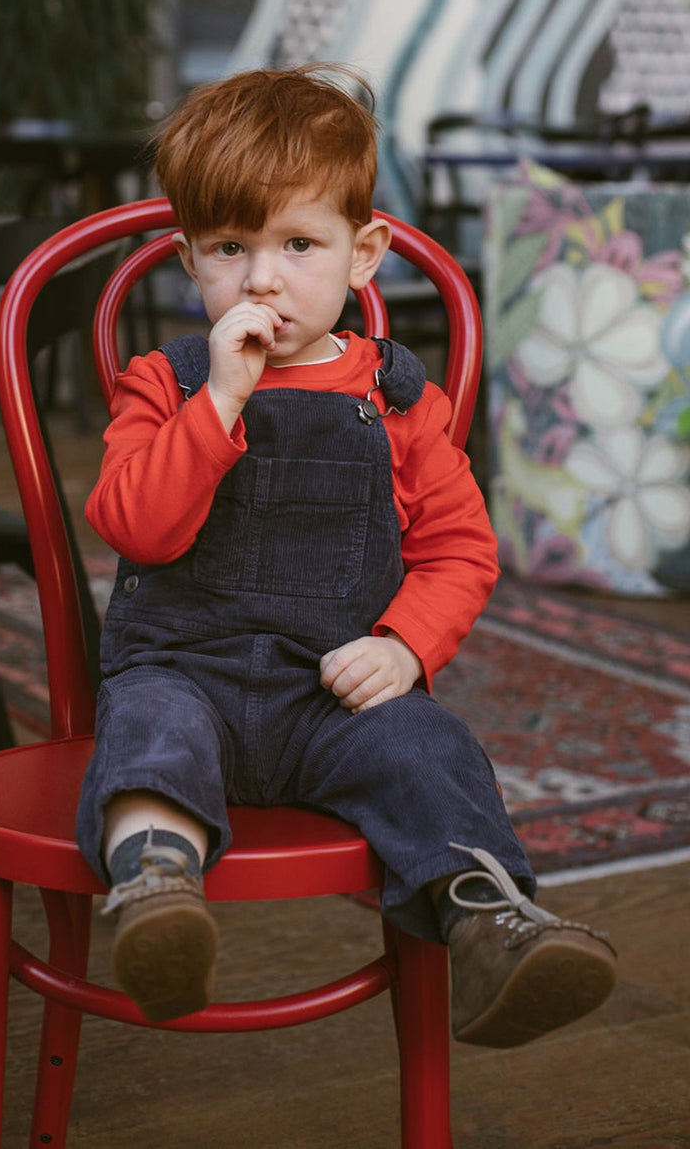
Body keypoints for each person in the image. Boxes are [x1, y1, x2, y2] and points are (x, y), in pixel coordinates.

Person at [77, 64, 617, 1047]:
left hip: (329, 697)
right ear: (185, 257)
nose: (262, 279)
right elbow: (135, 525)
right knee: (147, 728)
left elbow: (458, 550)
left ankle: (487, 917)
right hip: (184, 672)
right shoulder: (163, 382)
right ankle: (155, 887)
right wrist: (219, 404)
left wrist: (405, 646)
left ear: (362, 253)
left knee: (426, 746)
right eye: (228, 249)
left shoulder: (400, 399)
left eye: (297, 243)